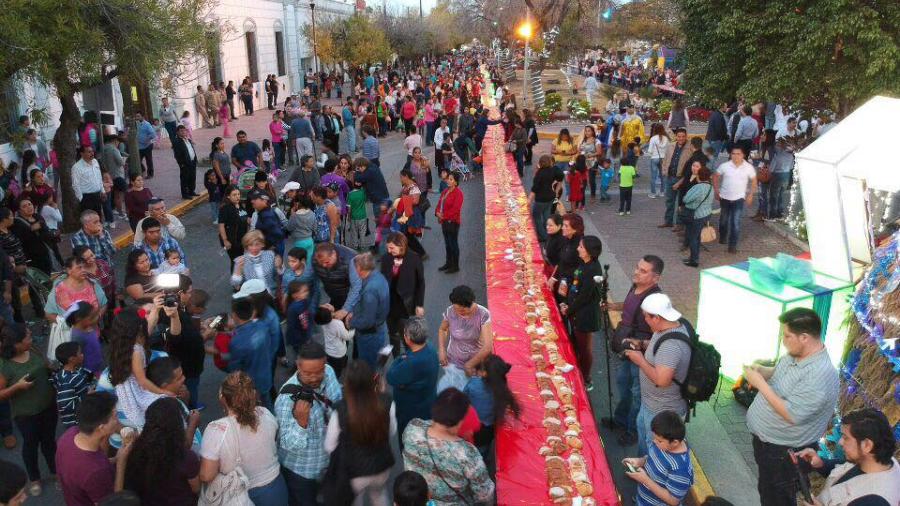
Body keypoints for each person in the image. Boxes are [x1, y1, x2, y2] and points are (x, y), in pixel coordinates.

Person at [744, 308, 839, 506]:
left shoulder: (820, 376)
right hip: (767, 444)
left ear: (804, 337)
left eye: (787, 336)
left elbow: (791, 414)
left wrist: (760, 383)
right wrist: (764, 372)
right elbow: (781, 375)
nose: (783, 340)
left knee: (779, 498)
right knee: (767, 490)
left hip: (784, 453)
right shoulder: (794, 354)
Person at [199, 372, 288, 504]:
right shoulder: (266, 413)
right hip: (275, 488)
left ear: (222, 398)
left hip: (238, 495)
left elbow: (207, 475)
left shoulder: (216, 430)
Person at [623, 293, 692, 456]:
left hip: (661, 410)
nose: (645, 320)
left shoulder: (671, 346)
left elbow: (662, 380)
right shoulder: (670, 326)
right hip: (651, 404)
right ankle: (642, 468)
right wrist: (642, 344)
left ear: (657, 318)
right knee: (645, 439)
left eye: (646, 316)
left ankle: (646, 476)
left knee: (653, 447)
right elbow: (657, 347)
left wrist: (640, 360)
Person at [275, 341, 343, 505]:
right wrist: (301, 423)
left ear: (325, 363)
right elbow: (286, 444)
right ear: (298, 366)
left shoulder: (329, 372)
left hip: (328, 463)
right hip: (301, 472)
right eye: (307, 373)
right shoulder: (286, 400)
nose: (313, 378)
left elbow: (337, 402)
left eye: (318, 372)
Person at [401, 387, 495, 504]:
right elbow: (485, 495)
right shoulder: (468, 454)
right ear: (460, 422)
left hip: (416, 500)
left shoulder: (412, 428)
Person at [323, 360, 395, 506]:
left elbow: (329, 446)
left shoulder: (341, 410)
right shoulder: (387, 402)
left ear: (347, 384)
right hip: (382, 465)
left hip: (355, 470)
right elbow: (391, 431)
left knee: (355, 500)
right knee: (379, 495)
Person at [794, 408, 899, 506]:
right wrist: (821, 463)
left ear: (867, 445)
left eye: (846, 438)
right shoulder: (876, 460)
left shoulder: (875, 501)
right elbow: (844, 470)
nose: (840, 442)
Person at [56, 392, 132, 505]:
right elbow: (113, 502)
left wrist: (116, 458)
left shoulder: (69, 435)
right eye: (114, 416)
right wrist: (121, 463)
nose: (117, 420)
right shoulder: (97, 472)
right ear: (101, 428)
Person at [123, 397, 201, 505]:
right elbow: (196, 488)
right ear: (178, 425)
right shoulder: (186, 457)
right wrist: (192, 424)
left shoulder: (135, 449)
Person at [107, 305, 174, 427]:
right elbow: (142, 381)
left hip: (124, 389)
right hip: (136, 392)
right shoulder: (136, 351)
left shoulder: (120, 345)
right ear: (138, 328)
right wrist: (162, 392)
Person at [624, 410, 695, 506]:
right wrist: (640, 461)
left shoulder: (681, 469)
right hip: (644, 498)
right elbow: (651, 457)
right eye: (654, 438)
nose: (654, 442)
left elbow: (673, 501)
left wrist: (645, 480)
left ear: (675, 442)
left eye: (659, 441)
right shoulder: (663, 442)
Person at [560, 235, 604, 389]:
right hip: (576, 311)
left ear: (589, 252)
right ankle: (576, 370)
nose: (578, 249)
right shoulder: (584, 263)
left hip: (585, 316)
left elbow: (584, 297)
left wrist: (569, 309)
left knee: (584, 348)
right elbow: (575, 285)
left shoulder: (593, 270)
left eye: (581, 247)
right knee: (576, 343)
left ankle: (586, 378)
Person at [386, 317, 439, 438]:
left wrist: (399, 359)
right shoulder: (429, 348)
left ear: (408, 338)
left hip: (410, 410)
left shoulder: (410, 363)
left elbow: (390, 377)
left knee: (407, 439)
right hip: (427, 403)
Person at [464, 354, 520, 455]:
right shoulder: (502, 389)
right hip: (488, 429)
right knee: (482, 451)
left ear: (484, 373)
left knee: (469, 450)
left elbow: (463, 398)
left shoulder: (474, 384)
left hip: (472, 428)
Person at [381, 233, 425, 355]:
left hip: (405, 302)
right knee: (392, 334)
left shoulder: (414, 258)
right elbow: (383, 280)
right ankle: (397, 359)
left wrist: (419, 304)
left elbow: (420, 283)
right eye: (388, 248)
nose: (389, 251)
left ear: (401, 246)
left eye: (392, 248)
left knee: (406, 335)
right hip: (389, 303)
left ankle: (409, 358)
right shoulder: (386, 258)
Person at [438, 285, 493, 377]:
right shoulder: (450, 311)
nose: (458, 312)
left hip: (475, 361)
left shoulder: (483, 314)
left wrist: (469, 365)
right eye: (456, 309)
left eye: (462, 310)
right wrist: (442, 350)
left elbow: (487, 347)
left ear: (471, 303)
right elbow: (443, 329)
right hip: (454, 359)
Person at [346, 253, 390, 368]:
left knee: (368, 365)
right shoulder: (378, 276)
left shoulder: (369, 290)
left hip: (370, 335)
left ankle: (372, 383)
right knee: (378, 358)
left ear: (359, 269)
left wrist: (351, 322)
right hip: (380, 327)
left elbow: (367, 321)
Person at [713, 147, 757, 253]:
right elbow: (715, 176)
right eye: (733, 153)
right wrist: (716, 190)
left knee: (735, 222)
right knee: (723, 220)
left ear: (743, 155)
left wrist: (751, 194)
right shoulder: (725, 166)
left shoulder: (748, 167)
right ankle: (723, 237)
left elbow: (754, 181)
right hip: (725, 197)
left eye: (738, 154)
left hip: (739, 199)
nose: (735, 156)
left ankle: (732, 246)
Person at [313, 241, 363, 320]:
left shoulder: (351, 259)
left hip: (351, 297)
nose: (324, 265)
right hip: (334, 295)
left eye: (327, 262)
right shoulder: (315, 257)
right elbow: (311, 281)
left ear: (334, 254)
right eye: (321, 263)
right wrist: (315, 304)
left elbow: (356, 286)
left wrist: (345, 310)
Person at [51, 341, 94, 428]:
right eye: (80, 353)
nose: (82, 355)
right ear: (72, 359)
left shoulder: (76, 369)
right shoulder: (66, 381)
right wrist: (86, 396)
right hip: (77, 422)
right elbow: (66, 405)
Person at [658, 129, 695, 229]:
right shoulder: (671, 146)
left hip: (682, 179)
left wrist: (683, 179)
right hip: (670, 177)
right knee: (669, 201)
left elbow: (691, 166)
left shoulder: (690, 148)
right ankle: (668, 221)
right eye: (679, 136)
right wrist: (664, 171)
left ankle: (679, 223)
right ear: (676, 136)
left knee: (681, 202)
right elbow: (665, 159)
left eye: (683, 136)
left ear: (686, 136)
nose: (681, 138)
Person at [681, 166, 714, 267]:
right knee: (697, 236)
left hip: (696, 215)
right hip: (706, 214)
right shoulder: (710, 187)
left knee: (693, 238)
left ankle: (694, 260)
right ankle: (693, 257)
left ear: (699, 176)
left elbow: (686, 199)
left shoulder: (698, 187)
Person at [232, 230, 282, 295]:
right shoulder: (240, 260)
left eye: (257, 244)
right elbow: (236, 286)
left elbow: (279, 274)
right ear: (246, 246)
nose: (254, 248)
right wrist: (238, 270)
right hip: (253, 298)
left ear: (262, 244)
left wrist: (279, 267)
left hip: (272, 295)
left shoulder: (270, 255)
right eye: (250, 245)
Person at [530, 155, 564, 242]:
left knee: (536, 216)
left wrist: (529, 200)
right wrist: (556, 191)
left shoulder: (540, 173)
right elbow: (561, 177)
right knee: (546, 215)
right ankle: (549, 233)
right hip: (551, 196)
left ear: (540, 163)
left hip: (541, 199)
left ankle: (543, 236)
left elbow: (535, 188)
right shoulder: (553, 170)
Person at [435, 170, 463, 273]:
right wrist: (437, 212)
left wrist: (443, 216)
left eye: (451, 179)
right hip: (445, 221)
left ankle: (455, 266)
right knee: (447, 243)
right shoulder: (445, 191)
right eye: (448, 179)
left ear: (455, 182)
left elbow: (455, 210)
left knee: (453, 244)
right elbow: (439, 203)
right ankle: (448, 263)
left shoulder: (458, 193)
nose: (448, 181)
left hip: (453, 222)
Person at [72, 146, 106, 216]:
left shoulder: (95, 161)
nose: (92, 153)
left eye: (92, 151)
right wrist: (81, 198)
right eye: (89, 152)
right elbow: (75, 184)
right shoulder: (77, 167)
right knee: (88, 219)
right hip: (86, 198)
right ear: (82, 154)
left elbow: (99, 177)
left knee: (98, 216)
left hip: (97, 195)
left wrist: (102, 191)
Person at [171, 125, 199, 199]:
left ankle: (191, 191)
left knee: (192, 177)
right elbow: (177, 155)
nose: (183, 132)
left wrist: (195, 159)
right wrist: (182, 164)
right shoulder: (177, 142)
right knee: (185, 179)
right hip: (185, 164)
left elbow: (191, 150)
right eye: (181, 131)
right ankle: (185, 194)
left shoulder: (188, 140)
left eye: (184, 130)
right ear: (177, 133)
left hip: (192, 162)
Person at [647, 124, 669, 198]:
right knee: (663, 176)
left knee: (653, 177)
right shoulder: (666, 138)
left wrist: (650, 154)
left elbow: (650, 150)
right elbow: (668, 150)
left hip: (654, 158)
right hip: (663, 158)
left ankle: (653, 193)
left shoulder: (653, 138)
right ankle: (662, 192)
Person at [135, 112, 157, 178]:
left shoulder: (147, 124)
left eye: (138, 116)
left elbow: (153, 134)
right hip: (139, 146)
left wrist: (146, 140)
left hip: (147, 146)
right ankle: (143, 170)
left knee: (149, 160)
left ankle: (150, 174)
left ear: (142, 117)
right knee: (138, 160)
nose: (137, 118)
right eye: (136, 116)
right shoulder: (137, 124)